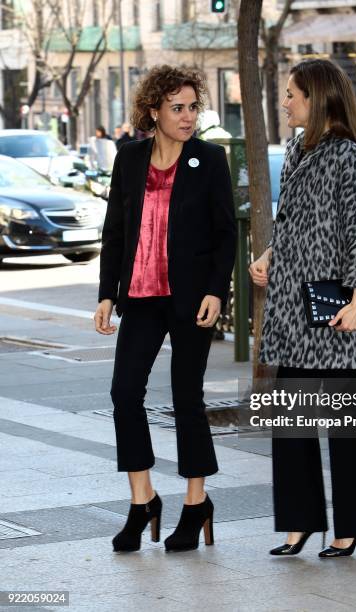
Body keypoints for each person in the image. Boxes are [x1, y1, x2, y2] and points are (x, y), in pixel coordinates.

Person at [94, 64, 237, 553]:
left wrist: (217, 291)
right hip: (140, 296)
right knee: (124, 393)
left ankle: (196, 503)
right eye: (177, 108)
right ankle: (143, 501)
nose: (188, 116)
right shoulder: (129, 159)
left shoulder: (209, 159)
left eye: (193, 107)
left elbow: (226, 234)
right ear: (153, 110)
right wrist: (106, 294)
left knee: (186, 398)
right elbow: (115, 231)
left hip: (191, 297)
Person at [249, 58, 356, 559]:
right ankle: (300, 523)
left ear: (317, 98)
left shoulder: (348, 156)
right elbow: (292, 225)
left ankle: (351, 527)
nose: (284, 102)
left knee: (344, 430)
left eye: (291, 94)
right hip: (290, 310)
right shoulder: (296, 152)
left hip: (332, 310)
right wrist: (267, 255)